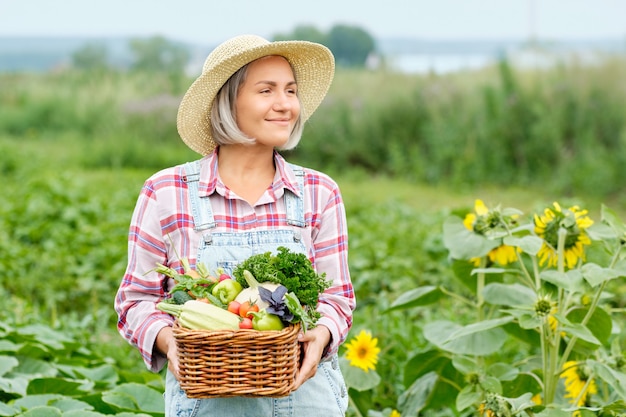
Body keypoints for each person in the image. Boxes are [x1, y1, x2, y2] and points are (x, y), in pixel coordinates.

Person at [114, 34, 355, 416]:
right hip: (208, 403)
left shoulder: (320, 192)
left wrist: (322, 332)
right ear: (228, 102)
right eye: (266, 91)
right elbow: (135, 300)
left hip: (308, 400)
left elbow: (337, 299)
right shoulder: (166, 192)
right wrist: (168, 341)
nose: (285, 105)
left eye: (290, 91)